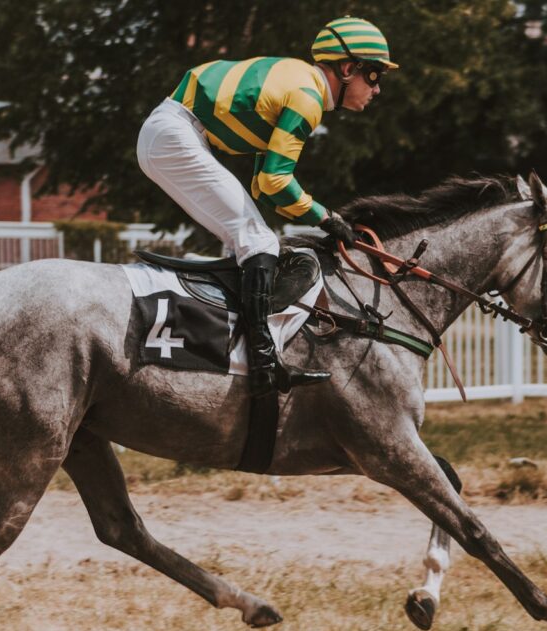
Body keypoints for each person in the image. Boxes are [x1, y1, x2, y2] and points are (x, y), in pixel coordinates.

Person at [137, 17, 398, 397]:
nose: (377, 88)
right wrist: (328, 218)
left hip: (170, 132)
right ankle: (263, 364)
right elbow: (276, 181)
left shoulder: (299, 82)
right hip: (175, 135)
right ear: (347, 68)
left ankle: (231, 346)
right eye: (373, 74)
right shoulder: (307, 97)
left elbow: (263, 185)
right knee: (258, 242)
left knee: (255, 241)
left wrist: (322, 221)